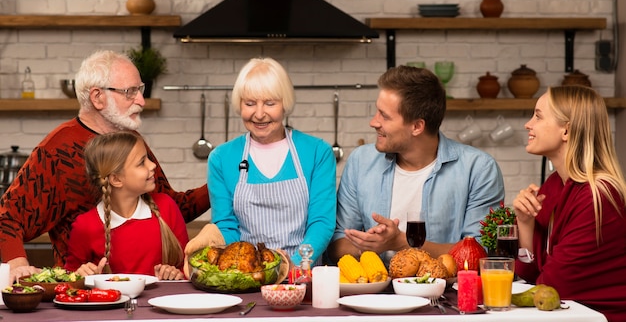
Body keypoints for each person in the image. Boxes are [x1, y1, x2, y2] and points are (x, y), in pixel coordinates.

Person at [0, 50, 209, 282]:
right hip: (84, 290)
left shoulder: (130, 141)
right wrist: (19, 266)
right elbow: (7, 218)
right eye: (130, 92)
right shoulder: (57, 150)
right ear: (98, 97)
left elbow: (169, 207)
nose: (141, 100)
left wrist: (223, 181)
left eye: (140, 90)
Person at [327, 65, 504, 265]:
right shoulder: (361, 161)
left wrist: (401, 242)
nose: (374, 122)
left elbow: (479, 253)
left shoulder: (479, 169)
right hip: (374, 293)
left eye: (384, 116)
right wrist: (368, 245)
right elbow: (336, 242)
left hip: (444, 293)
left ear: (417, 126)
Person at [185, 57, 336, 266]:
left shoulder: (317, 152)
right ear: (240, 105)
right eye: (250, 103)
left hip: (302, 275)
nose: (259, 114)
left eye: (270, 103)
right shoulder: (221, 159)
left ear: (285, 104)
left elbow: (321, 223)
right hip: (247, 273)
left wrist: (296, 264)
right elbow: (227, 225)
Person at [513, 85, 626, 321]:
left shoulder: (599, 197)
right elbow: (527, 272)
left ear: (566, 130)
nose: (528, 124)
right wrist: (525, 224)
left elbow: (551, 288)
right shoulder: (554, 185)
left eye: (538, 116)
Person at [65, 131, 188, 280]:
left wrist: (176, 273)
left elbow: (186, 268)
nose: (153, 165)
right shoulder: (85, 226)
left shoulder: (166, 206)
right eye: (142, 162)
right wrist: (81, 274)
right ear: (116, 179)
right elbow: (69, 278)